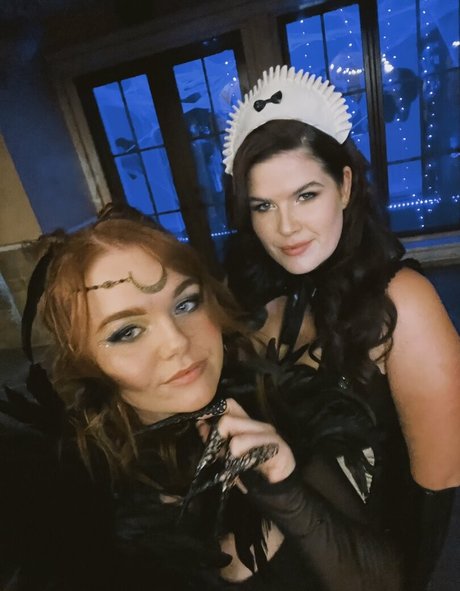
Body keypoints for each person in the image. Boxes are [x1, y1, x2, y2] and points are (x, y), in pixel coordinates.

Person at [0, 211, 402, 591]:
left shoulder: (276, 412)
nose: (177, 342)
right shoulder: (73, 497)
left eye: (185, 304)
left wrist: (288, 492)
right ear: (87, 363)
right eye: (127, 332)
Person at [223, 65, 460, 587]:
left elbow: (437, 498)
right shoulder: (263, 300)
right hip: (289, 545)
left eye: (306, 195)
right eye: (264, 206)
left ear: (345, 186)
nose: (286, 227)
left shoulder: (402, 303)